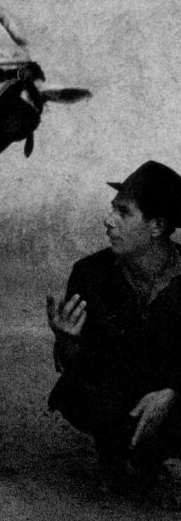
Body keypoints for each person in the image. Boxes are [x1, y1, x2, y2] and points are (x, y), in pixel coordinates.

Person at [47, 160, 181, 501]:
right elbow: (84, 364)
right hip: (121, 390)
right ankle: (116, 456)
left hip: (174, 392)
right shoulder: (91, 274)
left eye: (123, 212)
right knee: (82, 392)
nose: (109, 221)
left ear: (156, 226)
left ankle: (153, 457)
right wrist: (66, 342)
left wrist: (173, 393)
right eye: (112, 210)